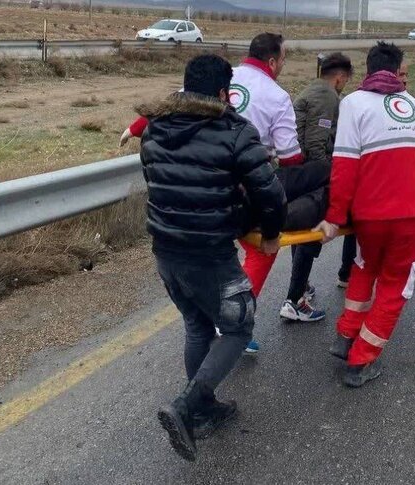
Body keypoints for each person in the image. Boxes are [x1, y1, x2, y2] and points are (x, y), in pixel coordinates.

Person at [138, 54, 286, 461]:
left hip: (165, 251)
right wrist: (270, 235)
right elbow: (270, 194)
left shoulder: (154, 128)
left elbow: (155, 181)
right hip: (210, 255)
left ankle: (203, 411)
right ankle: (186, 407)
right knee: (238, 328)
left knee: (197, 325)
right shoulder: (234, 132)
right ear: (224, 93)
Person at [121, 33, 303, 354]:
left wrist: (134, 128)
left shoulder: (215, 76)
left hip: (191, 199)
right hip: (241, 191)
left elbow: (172, 103)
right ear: (273, 62)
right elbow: (290, 157)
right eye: (284, 60)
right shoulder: (277, 96)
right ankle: (233, 317)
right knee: (262, 250)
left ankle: (217, 319)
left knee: (199, 300)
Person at [316, 42, 415, 388]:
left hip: (370, 214)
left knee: (365, 267)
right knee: (394, 284)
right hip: (411, 213)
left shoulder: (353, 103)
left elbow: (344, 166)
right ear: (397, 71)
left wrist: (335, 216)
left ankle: (346, 335)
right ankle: (361, 360)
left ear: (367, 70)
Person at [280, 52, 354, 323]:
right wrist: (328, 177)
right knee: (310, 235)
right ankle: (294, 298)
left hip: (297, 171)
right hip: (309, 173)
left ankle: (300, 286)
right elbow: (315, 144)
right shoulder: (327, 97)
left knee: (301, 234)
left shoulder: (312, 89)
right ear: (340, 77)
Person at [335, 61, 409, 289]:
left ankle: (354, 272)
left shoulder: (406, 103)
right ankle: (350, 271)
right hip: (370, 183)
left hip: (389, 183)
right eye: (401, 74)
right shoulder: (360, 102)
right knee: (358, 233)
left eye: (406, 74)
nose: (405, 79)